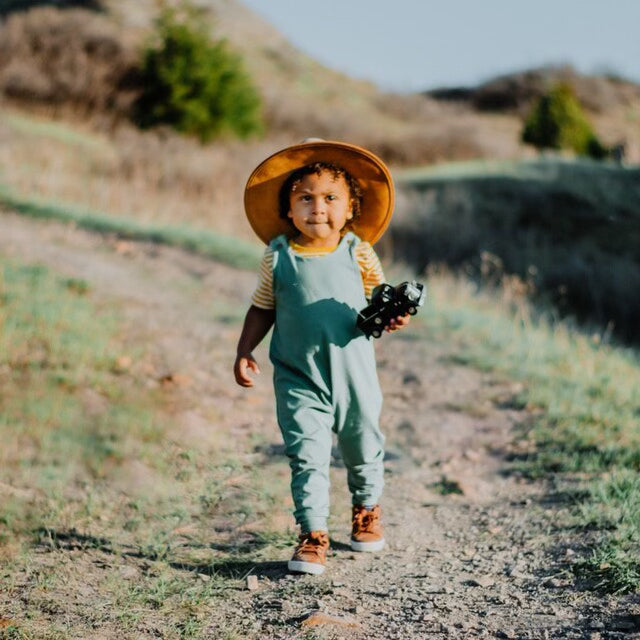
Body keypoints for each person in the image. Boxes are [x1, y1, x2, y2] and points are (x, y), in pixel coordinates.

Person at [234, 139, 410, 575]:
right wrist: (244, 350)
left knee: (362, 441)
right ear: (288, 209)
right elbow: (263, 307)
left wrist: (394, 318)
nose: (318, 208)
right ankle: (313, 534)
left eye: (331, 198)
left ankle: (366, 509)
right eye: (305, 198)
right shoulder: (278, 256)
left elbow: (380, 304)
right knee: (306, 453)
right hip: (298, 375)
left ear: (351, 208)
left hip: (354, 375)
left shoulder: (358, 252)